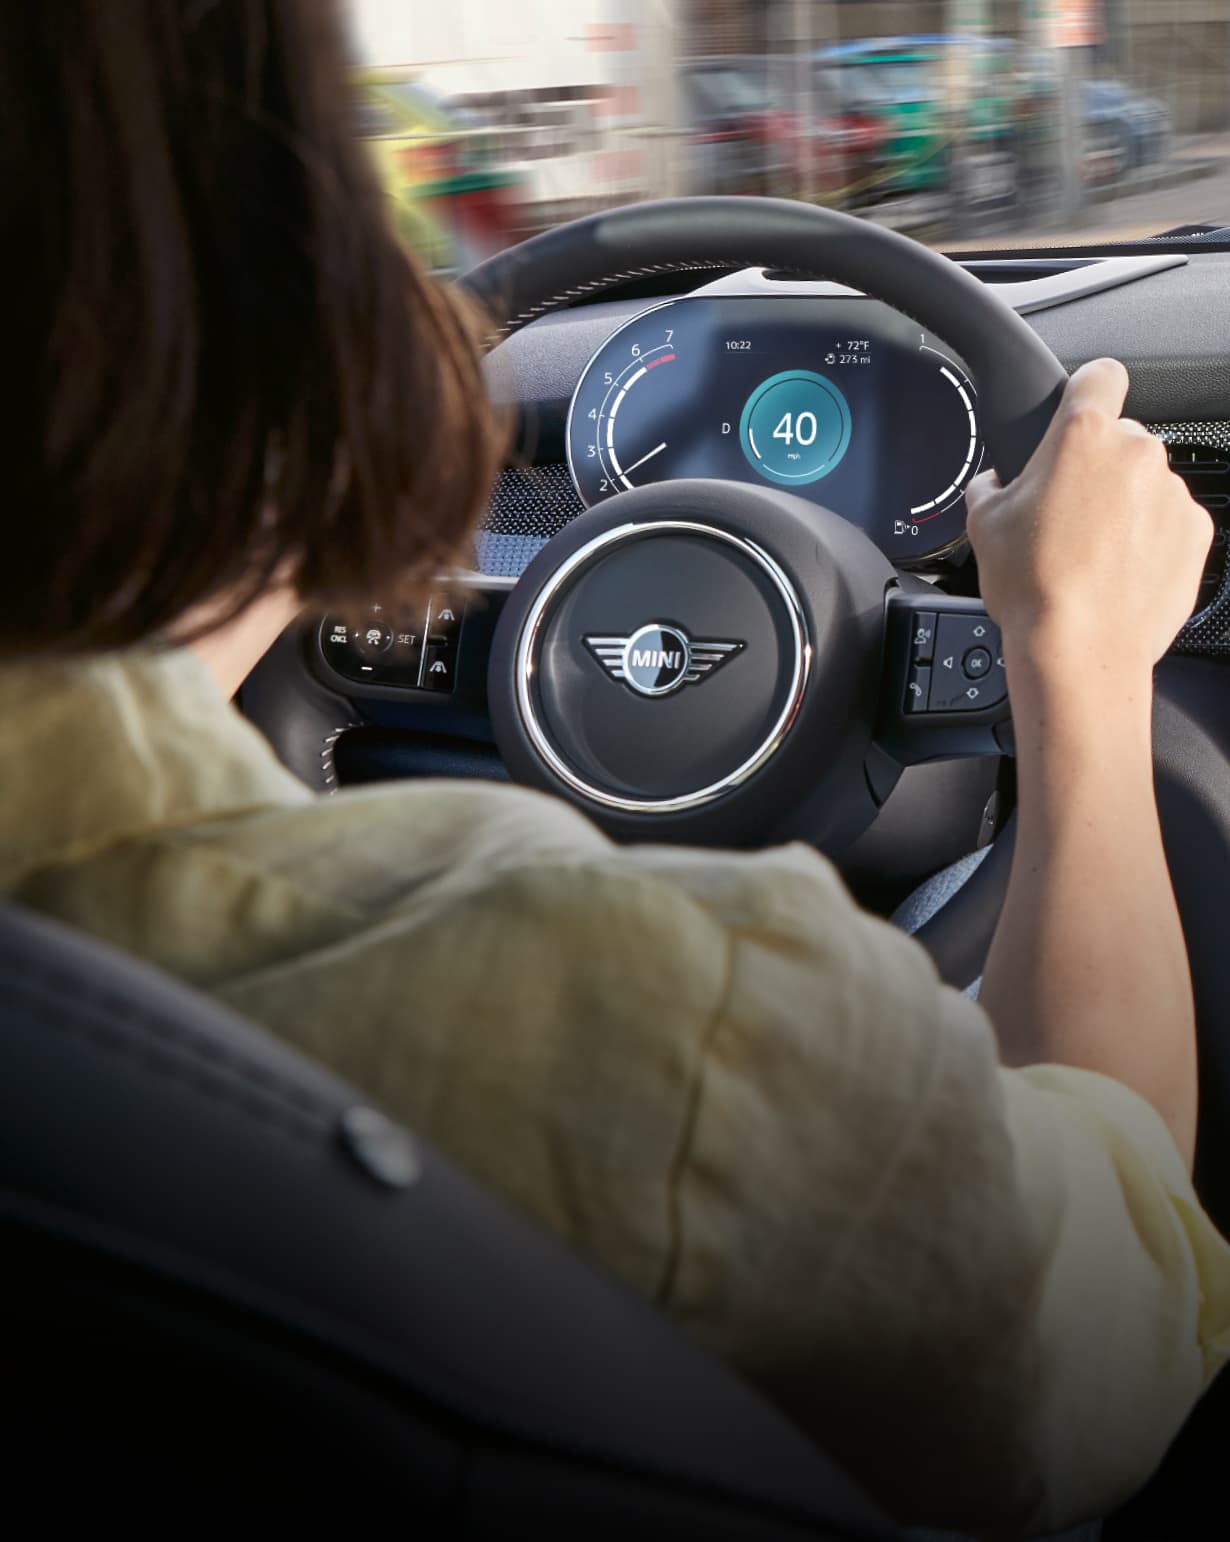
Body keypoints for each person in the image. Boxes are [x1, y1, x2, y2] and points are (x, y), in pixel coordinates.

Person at [1, 3, 1226, 1536]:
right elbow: (1114, 1329)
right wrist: (1081, 668)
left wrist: (287, 501)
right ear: (256, 269)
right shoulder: (673, 1028)